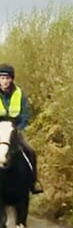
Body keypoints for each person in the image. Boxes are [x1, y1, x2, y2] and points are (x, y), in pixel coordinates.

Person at [0, 64, 43, 194]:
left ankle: (33, 183)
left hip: (14, 129)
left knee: (30, 152)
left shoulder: (19, 93)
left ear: (12, 79)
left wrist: (20, 128)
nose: (4, 81)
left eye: (7, 78)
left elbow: (25, 114)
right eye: (1, 78)